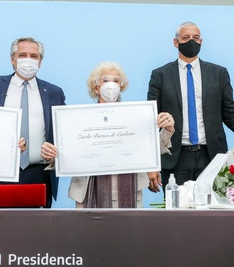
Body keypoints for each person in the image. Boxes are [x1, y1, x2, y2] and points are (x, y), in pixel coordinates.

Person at [41, 61, 175, 208]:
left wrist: (167, 129)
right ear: (96, 87)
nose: (111, 85)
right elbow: (66, 155)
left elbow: (152, 149)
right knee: (90, 232)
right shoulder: (78, 119)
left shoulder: (136, 116)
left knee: (129, 231)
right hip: (87, 195)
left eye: (116, 81)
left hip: (131, 192)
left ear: (121, 86)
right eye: (105, 80)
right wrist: (52, 156)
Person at [0, 37, 66, 208]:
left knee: (34, 231)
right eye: (23, 55)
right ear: (12, 59)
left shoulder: (54, 92)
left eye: (34, 56)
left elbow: (65, 133)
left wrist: (56, 151)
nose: (28, 60)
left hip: (38, 175)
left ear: (40, 61)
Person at [147, 21, 234, 189]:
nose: (191, 41)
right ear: (176, 42)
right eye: (186, 37)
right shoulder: (160, 75)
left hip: (212, 156)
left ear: (201, 42)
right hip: (175, 157)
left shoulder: (219, 74)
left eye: (196, 37)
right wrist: (150, 163)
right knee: (176, 212)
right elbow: (152, 120)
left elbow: (230, 114)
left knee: (214, 212)